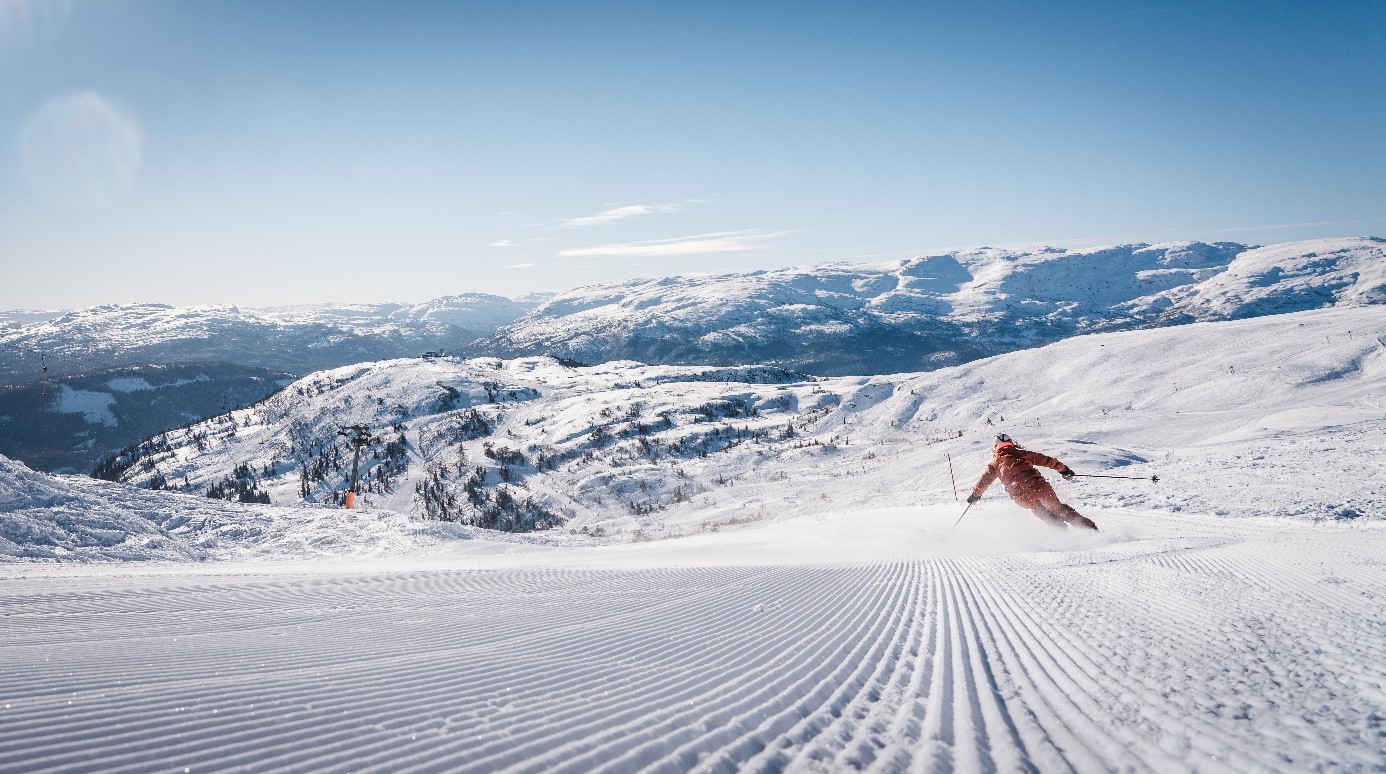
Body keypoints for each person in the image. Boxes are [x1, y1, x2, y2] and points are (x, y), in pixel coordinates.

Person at [968, 434, 1097, 530]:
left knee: (1037, 508)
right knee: (1059, 509)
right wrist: (1064, 470)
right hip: (1039, 487)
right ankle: (1088, 528)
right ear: (1010, 443)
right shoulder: (1022, 454)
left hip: (1021, 495)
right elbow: (1045, 460)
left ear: (995, 448)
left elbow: (983, 482)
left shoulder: (994, 464)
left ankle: (1058, 527)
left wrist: (975, 495)